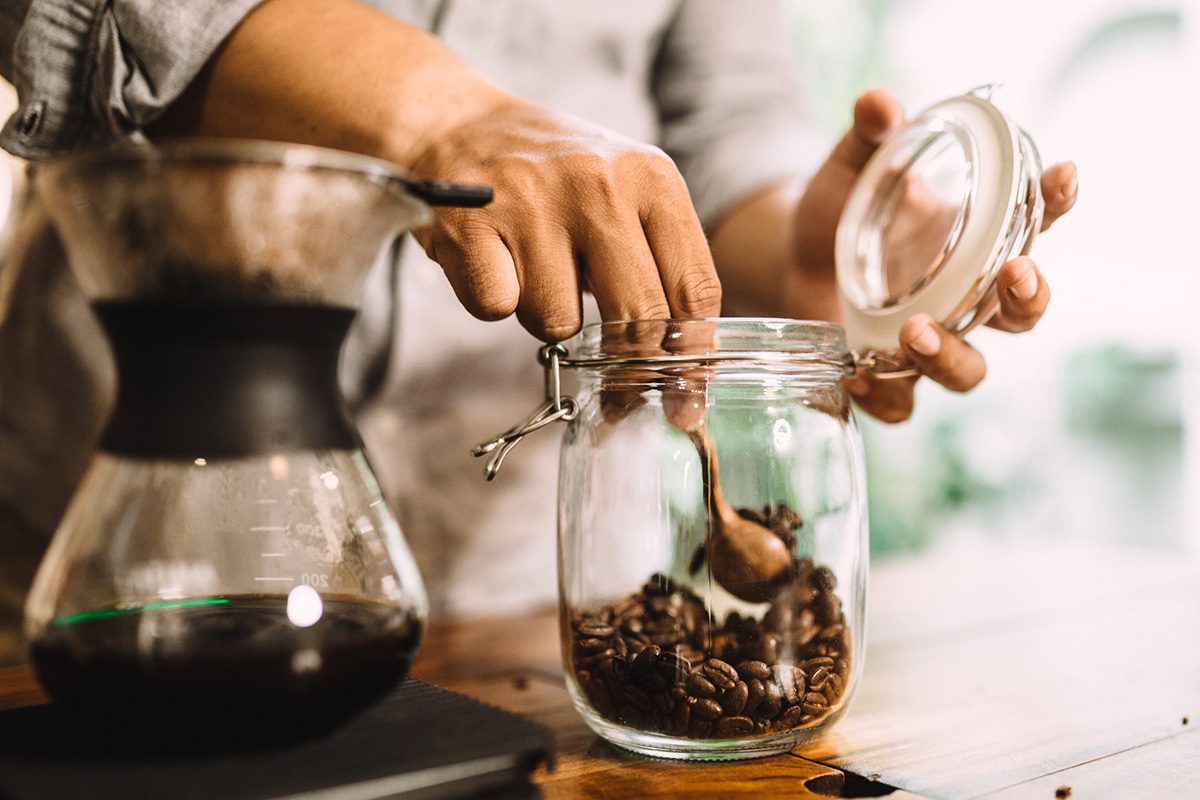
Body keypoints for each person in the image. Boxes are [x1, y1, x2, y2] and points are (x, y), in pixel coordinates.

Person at [0, 0, 1075, 629]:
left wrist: (802, 244)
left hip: (513, 597)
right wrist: (442, 119)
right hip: (125, 543)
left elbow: (729, 116)